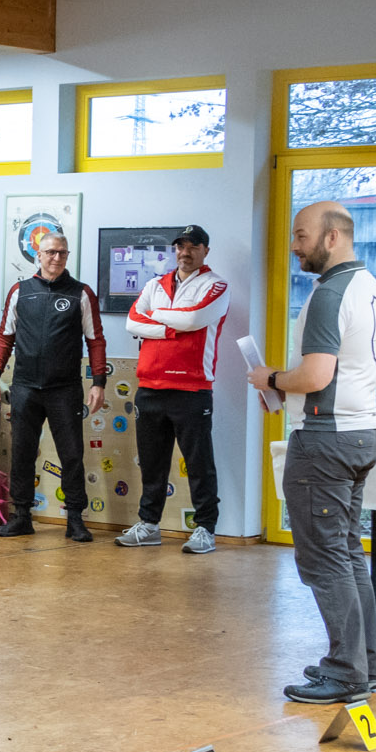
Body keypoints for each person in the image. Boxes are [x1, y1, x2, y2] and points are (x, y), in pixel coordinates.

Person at [248, 201, 376, 704]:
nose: (294, 246)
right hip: (360, 433)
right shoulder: (371, 287)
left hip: (326, 440)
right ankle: (363, 664)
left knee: (325, 559)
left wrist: (270, 379)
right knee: (346, 553)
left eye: (301, 235)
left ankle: (346, 672)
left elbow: (315, 375)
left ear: (333, 237)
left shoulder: (331, 293)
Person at [0, 232, 107, 541]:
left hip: (64, 388)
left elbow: (95, 340)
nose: (57, 258)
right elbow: (5, 336)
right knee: (22, 453)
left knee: (72, 455)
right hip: (25, 386)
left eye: (62, 253)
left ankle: (75, 519)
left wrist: (98, 383)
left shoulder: (81, 293)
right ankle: (21, 516)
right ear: (38, 255)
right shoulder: (20, 291)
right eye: (51, 252)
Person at [119, 224, 230, 554]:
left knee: (199, 464)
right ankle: (149, 525)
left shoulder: (216, 285)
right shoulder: (155, 284)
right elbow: (132, 322)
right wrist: (171, 327)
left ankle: (205, 529)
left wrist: (155, 318)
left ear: (205, 250)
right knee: (152, 464)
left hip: (191, 388)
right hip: (149, 387)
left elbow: (195, 319)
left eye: (193, 246)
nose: (186, 252)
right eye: (181, 246)